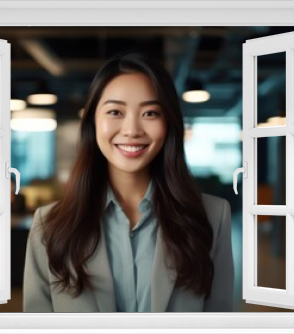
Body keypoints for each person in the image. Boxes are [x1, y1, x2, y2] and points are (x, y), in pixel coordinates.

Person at [23, 53, 233, 312]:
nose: (132, 129)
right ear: (92, 122)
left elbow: (219, 321)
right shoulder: (49, 225)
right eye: (115, 112)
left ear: (169, 123)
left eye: (150, 113)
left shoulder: (213, 216)